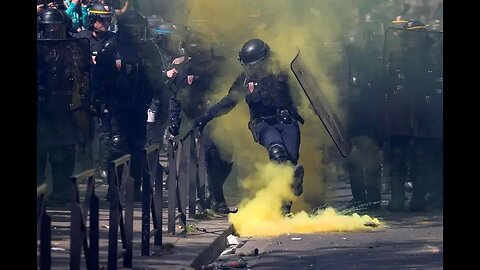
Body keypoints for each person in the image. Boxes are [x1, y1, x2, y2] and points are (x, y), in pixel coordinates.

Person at [193, 38, 305, 214]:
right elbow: (229, 101)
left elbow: (302, 94)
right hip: (262, 125)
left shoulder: (282, 74)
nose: (252, 69)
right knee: (277, 151)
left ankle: (285, 208)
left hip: (287, 122)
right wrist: (204, 118)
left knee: (290, 162)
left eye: (255, 65)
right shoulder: (245, 81)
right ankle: (291, 182)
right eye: (249, 65)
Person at [167, 36, 234, 214]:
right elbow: (175, 97)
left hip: (215, 116)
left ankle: (213, 191)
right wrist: (174, 119)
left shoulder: (218, 66)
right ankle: (214, 200)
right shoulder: (182, 70)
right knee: (206, 157)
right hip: (192, 119)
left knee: (227, 161)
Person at [383, 20, 443, 211]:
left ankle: (419, 198)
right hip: (400, 113)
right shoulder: (397, 58)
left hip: (426, 113)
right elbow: (388, 85)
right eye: (408, 36)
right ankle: (397, 199)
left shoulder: (434, 58)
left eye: (415, 36)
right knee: (398, 157)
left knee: (421, 159)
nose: (411, 40)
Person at [37, 8, 91, 205]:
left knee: (63, 154)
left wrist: (79, 109)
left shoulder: (72, 49)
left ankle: (60, 192)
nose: (51, 30)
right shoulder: (38, 48)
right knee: (39, 154)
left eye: (55, 27)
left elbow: (81, 81)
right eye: (48, 27)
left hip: (65, 108)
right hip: (41, 108)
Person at [343, 23, 383, 210]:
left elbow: (377, 85)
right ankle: (359, 197)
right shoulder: (345, 59)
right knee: (352, 156)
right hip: (351, 114)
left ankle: (374, 198)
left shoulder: (373, 58)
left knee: (371, 156)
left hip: (369, 113)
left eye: (358, 37)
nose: (354, 40)